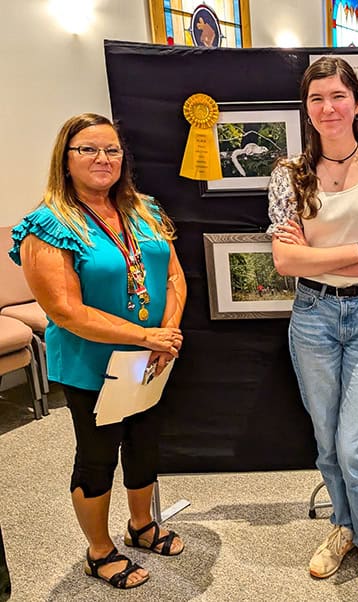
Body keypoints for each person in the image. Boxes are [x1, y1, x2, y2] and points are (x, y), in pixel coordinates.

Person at [8, 113, 187, 590]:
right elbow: (65, 311)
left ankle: (142, 525)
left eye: (111, 149)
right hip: (93, 364)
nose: (102, 159)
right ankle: (99, 550)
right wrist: (146, 337)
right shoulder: (47, 225)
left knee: (145, 445)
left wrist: (166, 333)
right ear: (65, 160)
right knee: (97, 455)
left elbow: (173, 276)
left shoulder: (144, 209)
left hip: (149, 358)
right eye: (87, 149)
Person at [267, 56, 358, 595]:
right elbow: (284, 263)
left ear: (357, 103)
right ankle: (343, 526)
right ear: (306, 108)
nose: (328, 108)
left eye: (337, 96)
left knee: (355, 442)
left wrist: (319, 253)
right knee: (326, 441)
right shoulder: (289, 175)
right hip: (312, 318)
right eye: (316, 98)